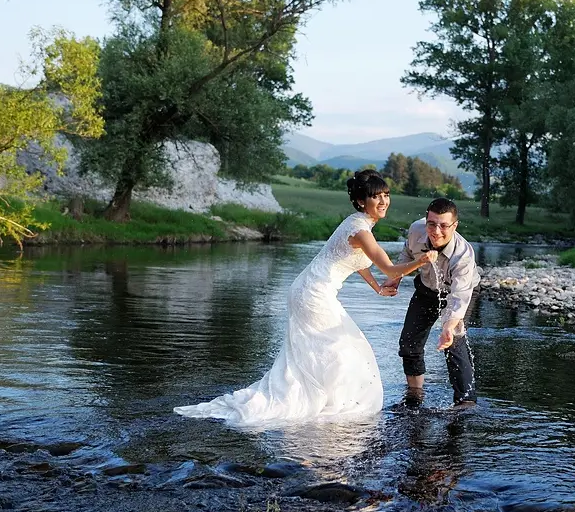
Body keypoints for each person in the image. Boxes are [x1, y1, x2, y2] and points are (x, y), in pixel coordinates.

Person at [174, 170, 437, 427]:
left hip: (309, 290)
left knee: (330, 351)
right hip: (314, 295)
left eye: (386, 195)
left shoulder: (357, 224)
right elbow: (390, 269)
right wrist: (421, 261)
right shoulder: (360, 231)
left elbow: (357, 262)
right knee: (344, 350)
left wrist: (377, 288)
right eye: (375, 196)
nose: (383, 201)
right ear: (360, 201)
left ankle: (325, 398)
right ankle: (324, 405)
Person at [380, 197, 481, 411]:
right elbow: (408, 253)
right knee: (409, 342)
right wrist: (396, 278)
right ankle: (414, 395)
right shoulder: (416, 230)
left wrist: (448, 326)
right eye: (431, 224)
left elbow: (459, 297)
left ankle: (465, 402)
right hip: (426, 289)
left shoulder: (463, 256)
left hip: (458, 293)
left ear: (454, 226)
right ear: (426, 221)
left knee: (452, 340)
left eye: (444, 226)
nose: (436, 231)